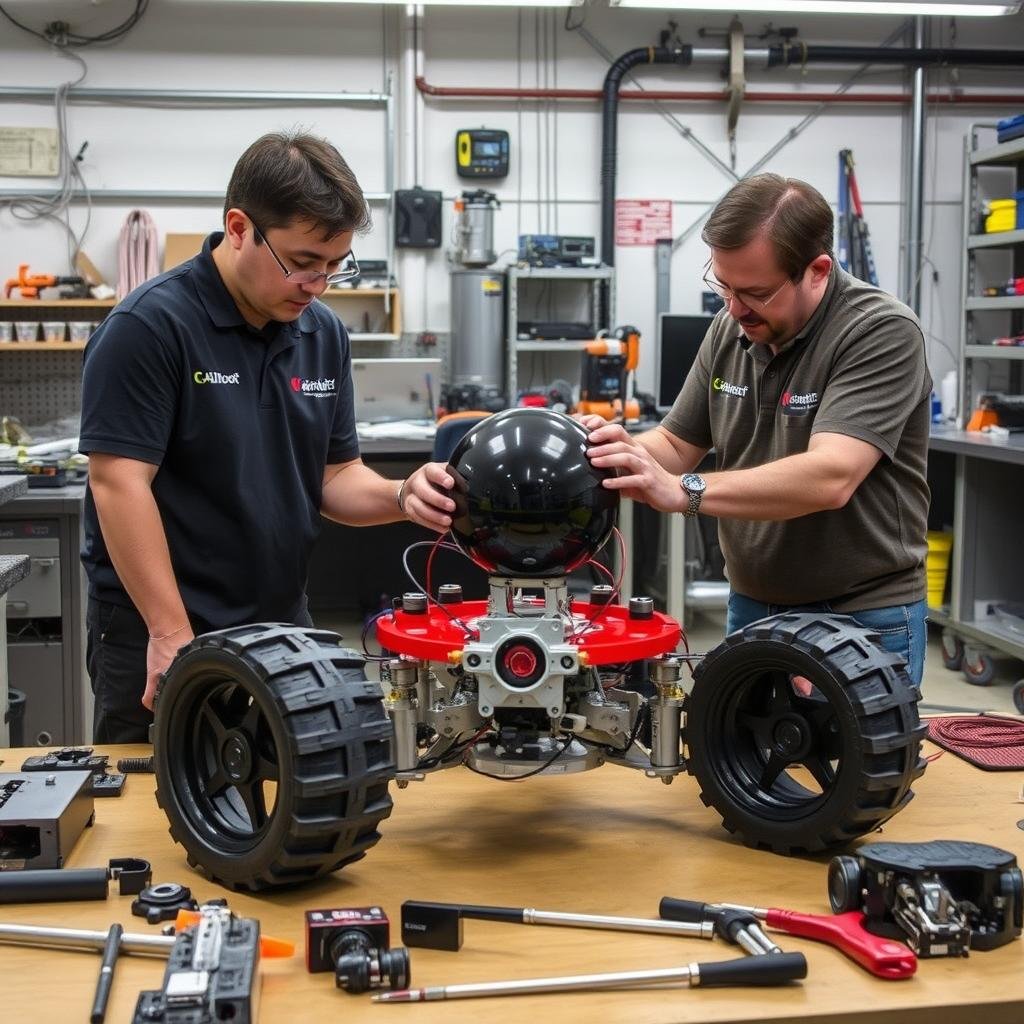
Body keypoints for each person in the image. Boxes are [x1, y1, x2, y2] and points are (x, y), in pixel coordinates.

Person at [80, 131, 454, 743]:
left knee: (295, 788)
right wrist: (170, 633)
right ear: (239, 228)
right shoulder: (148, 327)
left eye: (335, 266)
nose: (317, 284)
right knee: (156, 797)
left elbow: (335, 476)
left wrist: (402, 495)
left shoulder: (322, 334)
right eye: (302, 262)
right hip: (165, 625)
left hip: (282, 622)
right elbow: (118, 483)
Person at [582, 173, 931, 684]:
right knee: (739, 740)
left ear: (817, 271)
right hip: (753, 603)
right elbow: (676, 443)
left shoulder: (878, 330)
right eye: (723, 285)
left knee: (853, 742)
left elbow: (831, 475)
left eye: (756, 292)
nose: (734, 307)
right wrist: (614, 451)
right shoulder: (732, 326)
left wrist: (685, 491)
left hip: (861, 613)